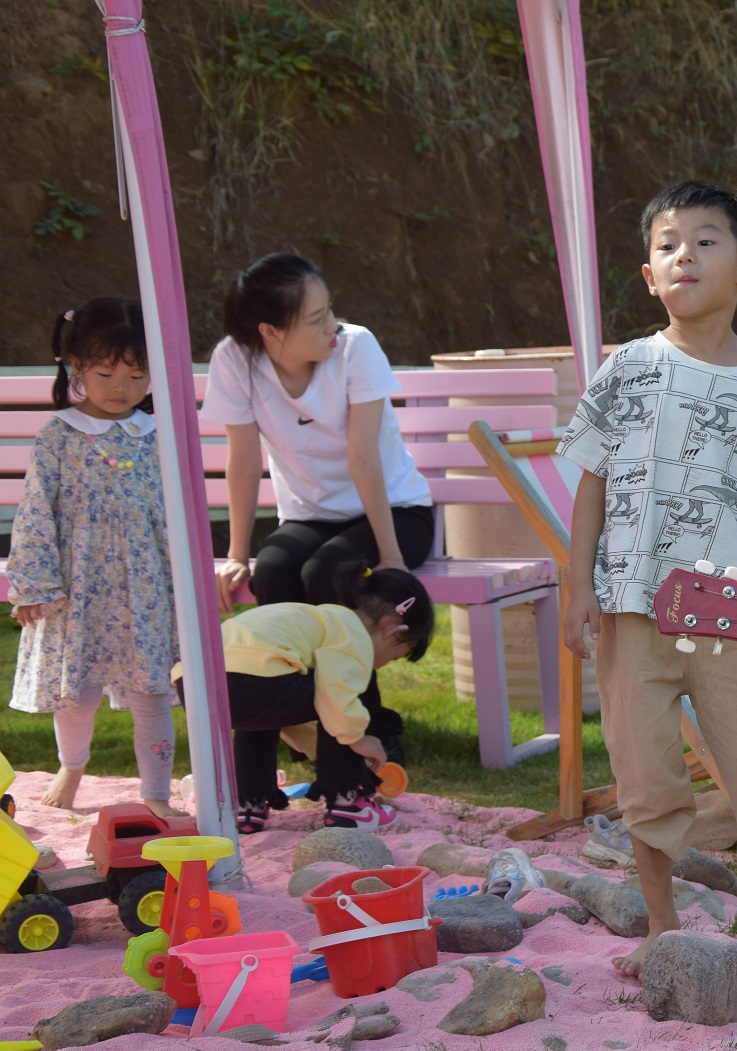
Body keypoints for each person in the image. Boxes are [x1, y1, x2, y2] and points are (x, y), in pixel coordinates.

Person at [559, 179, 737, 979]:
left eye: (704, 241)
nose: (683, 255)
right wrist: (578, 588)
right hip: (630, 610)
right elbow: (592, 482)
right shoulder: (627, 368)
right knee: (644, 771)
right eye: (667, 245)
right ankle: (662, 924)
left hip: (729, 615)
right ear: (649, 276)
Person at [204, 253, 433, 765]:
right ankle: (298, 724)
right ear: (270, 332)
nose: (332, 325)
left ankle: (367, 729)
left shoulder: (356, 346)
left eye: (329, 310)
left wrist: (392, 557)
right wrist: (237, 554)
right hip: (309, 517)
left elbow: (363, 457)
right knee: (275, 572)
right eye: (315, 319)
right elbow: (244, 460)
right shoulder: (234, 359)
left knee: (327, 573)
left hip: (397, 512)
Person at [7, 300, 179, 819]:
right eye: (106, 374)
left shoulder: (159, 435)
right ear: (76, 366)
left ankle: (157, 792)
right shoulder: (58, 436)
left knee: (151, 692)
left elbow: (180, 512)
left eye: (136, 375)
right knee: (75, 692)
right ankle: (72, 766)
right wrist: (35, 584)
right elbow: (36, 511)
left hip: (143, 589)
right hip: (77, 587)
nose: (121, 387)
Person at [178, 566, 434, 833]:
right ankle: (348, 805)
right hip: (252, 680)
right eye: (394, 656)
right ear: (391, 628)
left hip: (195, 684)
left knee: (259, 720)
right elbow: (334, 698)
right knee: (339, 701)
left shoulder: (317, 619)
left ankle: (249, 805)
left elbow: (279, 709)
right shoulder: (353, 633)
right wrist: (359, 739)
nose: (380, 665)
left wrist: (325, 750)